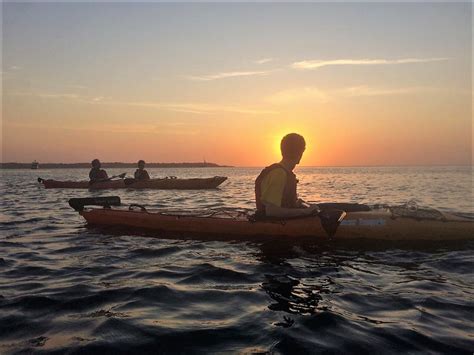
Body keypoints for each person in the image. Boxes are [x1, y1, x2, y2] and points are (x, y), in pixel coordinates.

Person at [255, 133, 320, 218]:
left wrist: (298, 204)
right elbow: (271, 211)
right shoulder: (279, 174)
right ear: (300, 154)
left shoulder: (283, 173)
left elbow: (283, 203)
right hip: (272, 224)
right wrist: (305, 212)